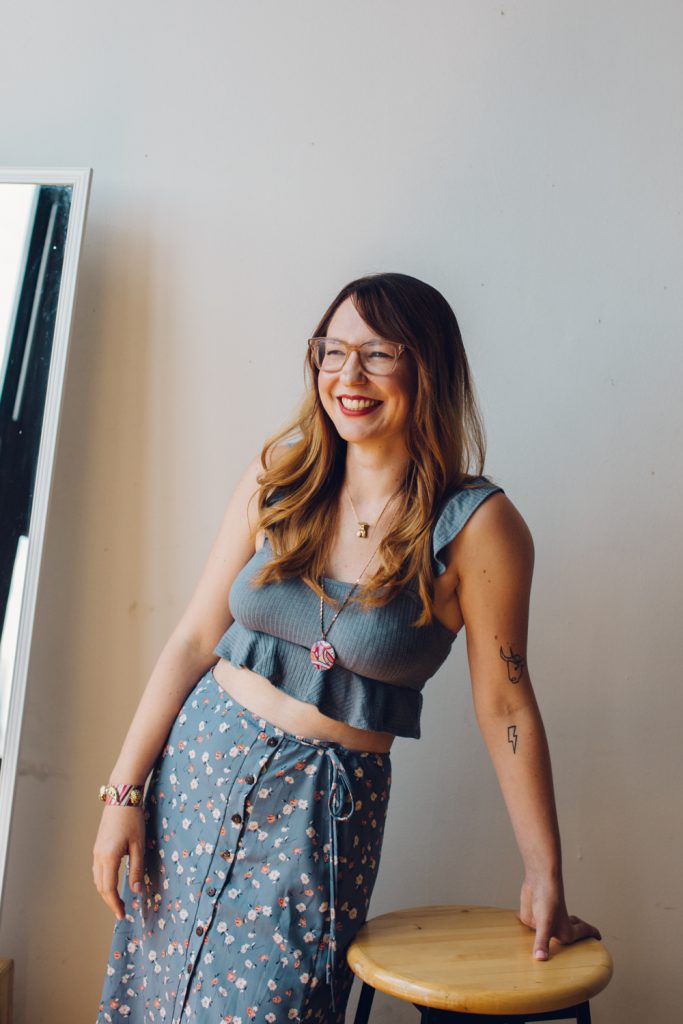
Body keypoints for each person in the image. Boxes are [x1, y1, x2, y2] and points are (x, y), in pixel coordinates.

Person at [93, 272, 600, 1023]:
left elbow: (505, 701)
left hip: (318, 816)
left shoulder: (477, 528)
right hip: (193, 780)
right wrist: (123, 793)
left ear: (426, 367)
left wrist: (542, 870)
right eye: (331, 352)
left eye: (375, 353)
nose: (346, 376)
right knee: (154, 1001)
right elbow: (196, 637)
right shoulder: (280, 476)